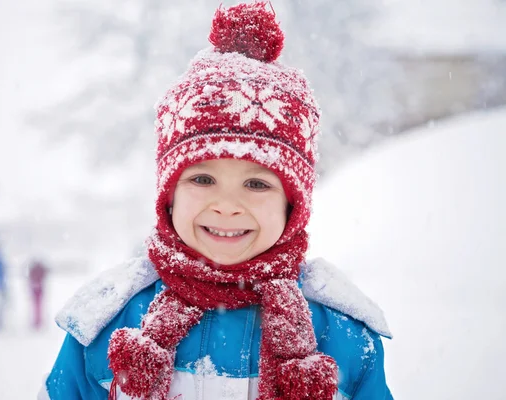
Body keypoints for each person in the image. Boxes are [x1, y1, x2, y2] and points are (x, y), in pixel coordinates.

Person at [40, 3, 393, 399]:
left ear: (292, 207)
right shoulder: (110, 324)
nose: (227, 205)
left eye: (257, 184)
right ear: (169, 197)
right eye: (203, 178)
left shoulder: (338, 335)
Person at [29, 260, 48, 329]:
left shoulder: (34, 270)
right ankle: (38, 321)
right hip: (37, 290)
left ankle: (38, 321)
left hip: (37, 290)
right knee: (37, 306)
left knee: (37, 306)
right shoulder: (39, 270)